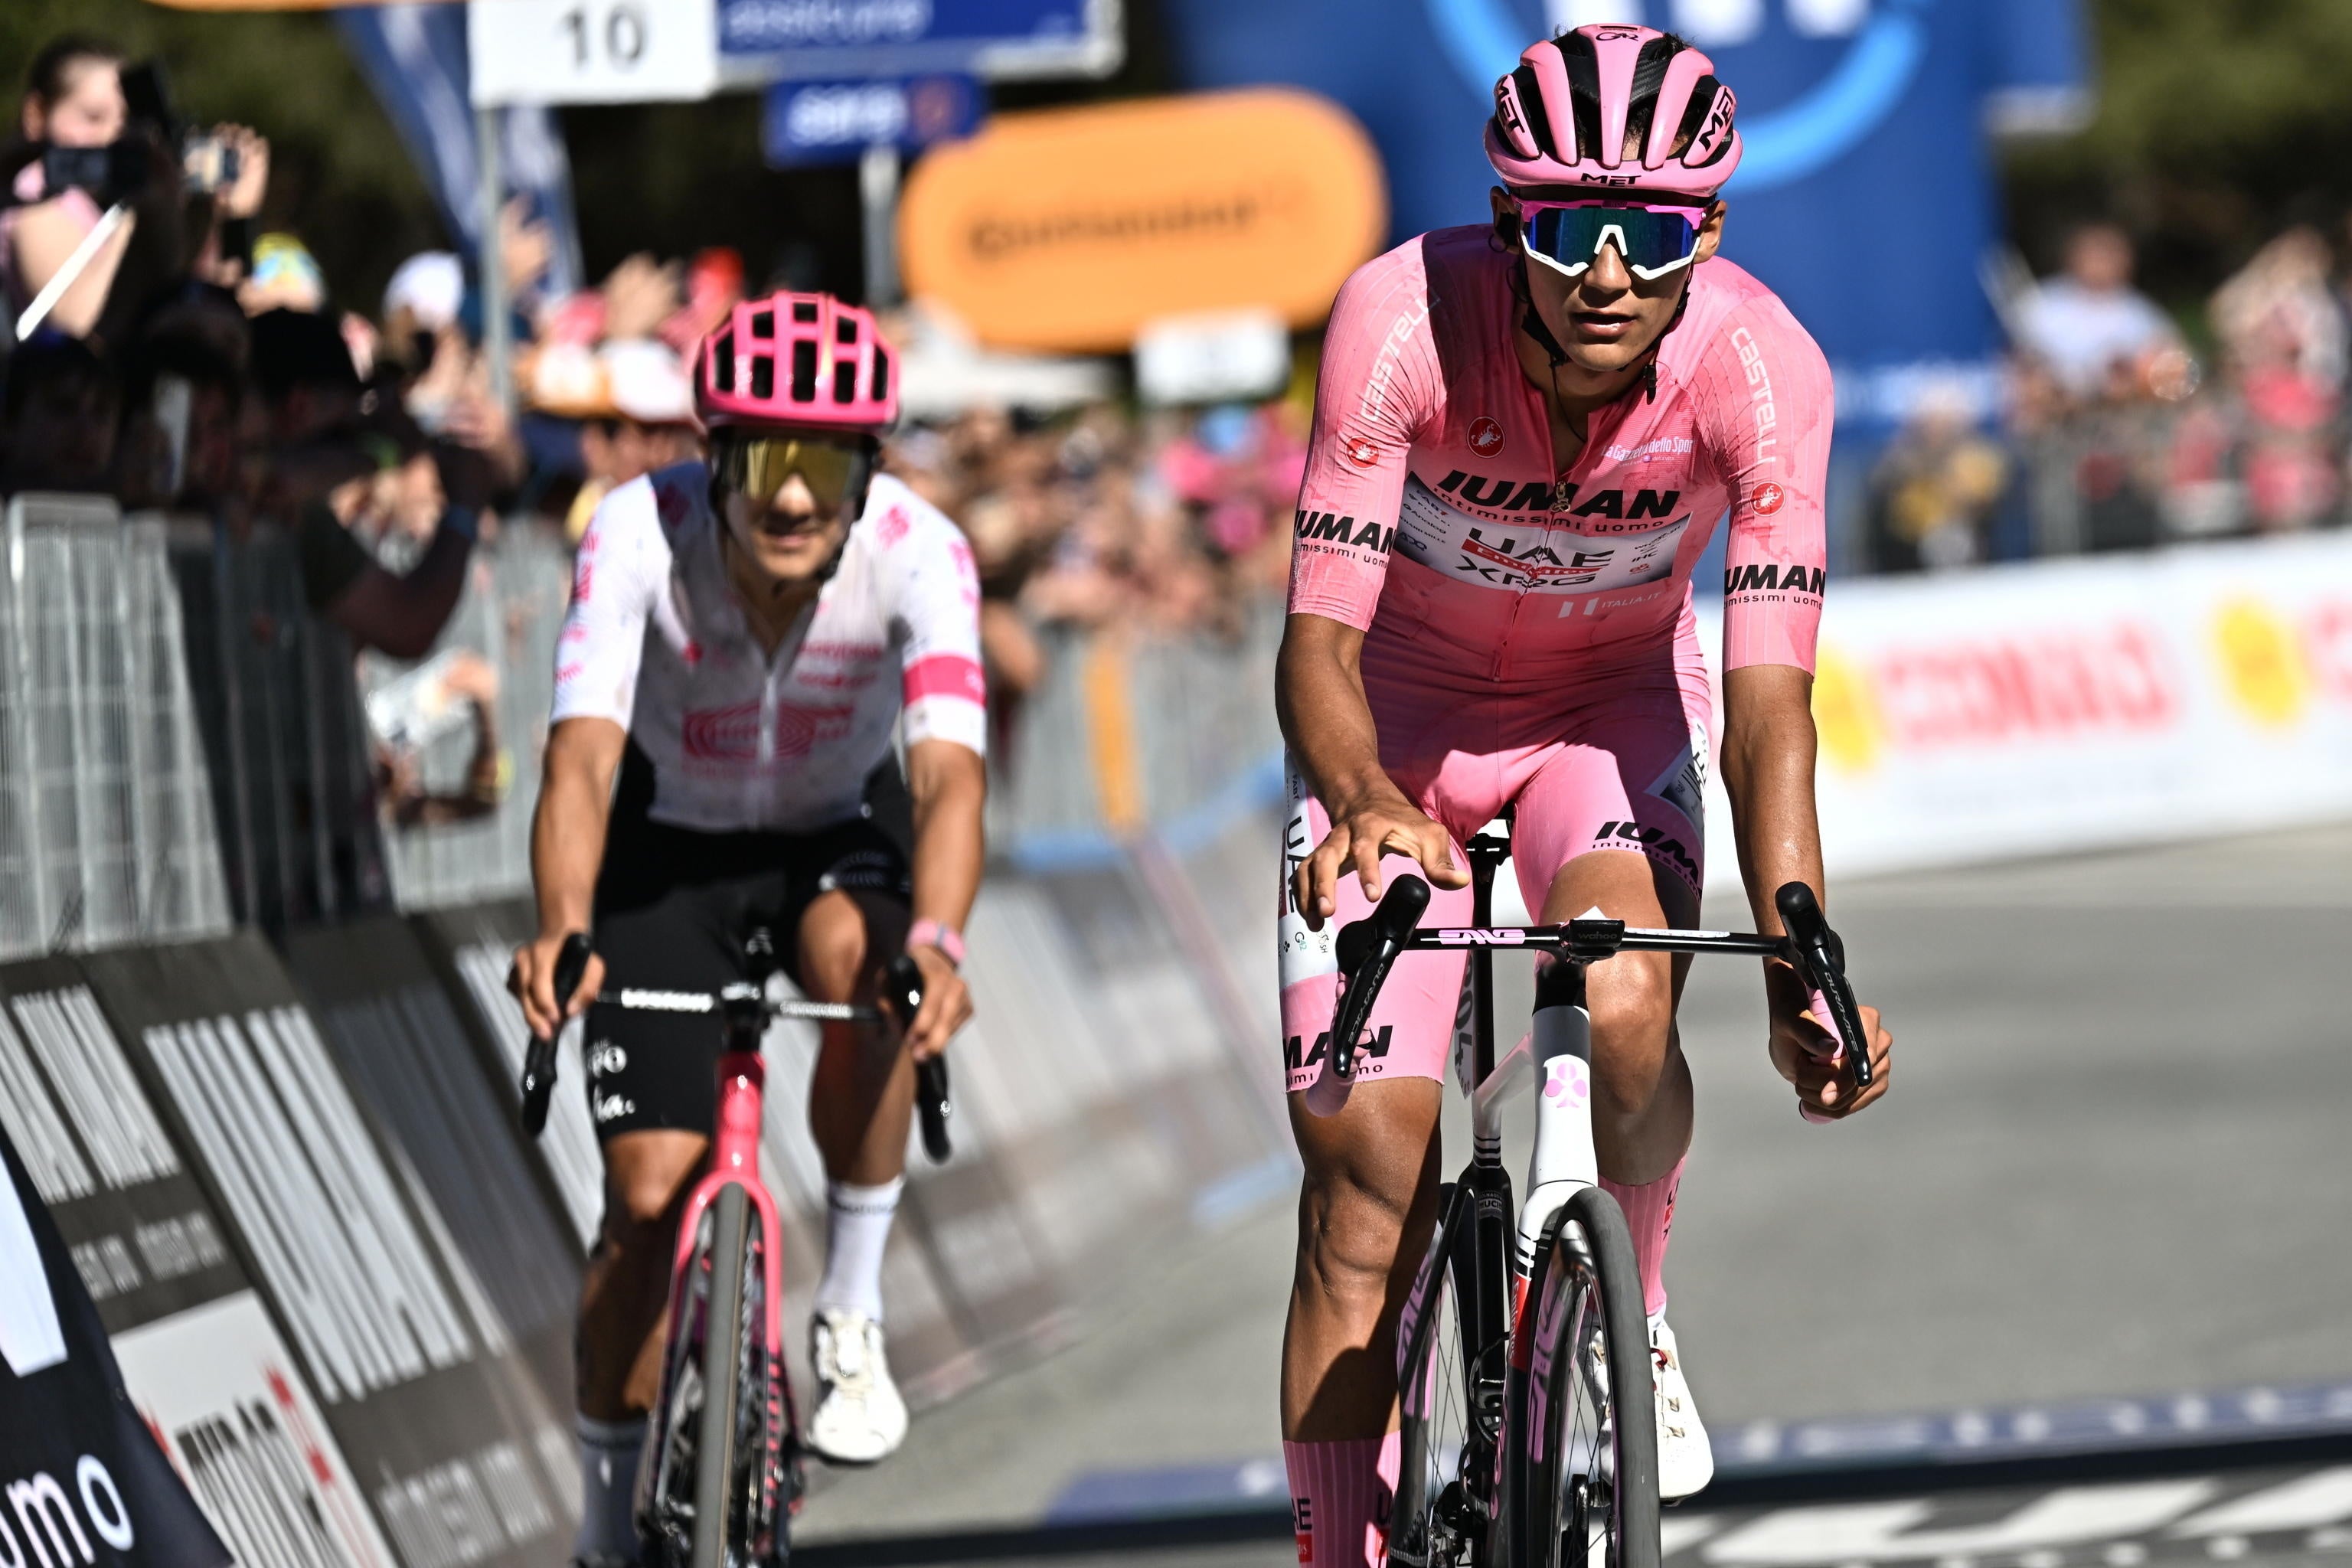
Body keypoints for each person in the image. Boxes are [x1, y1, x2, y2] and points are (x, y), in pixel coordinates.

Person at [1273, 24, 1896, 1560]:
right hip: (1394, 734)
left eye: (1654, 234)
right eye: (1564, 230)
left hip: (1596, 725)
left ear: (1713, 233)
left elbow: (1766, 706)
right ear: (1508, 225)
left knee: (1623, 1013)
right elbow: (1316, 642)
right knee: (1366, 1183)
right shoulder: (1398, 321)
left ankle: (1644, 1316)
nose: (1605, 273)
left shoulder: (1764, 370)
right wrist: (1359, 796)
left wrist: (1801, 939)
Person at [507, 292, 985, 1567]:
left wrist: (937, 939)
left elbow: (947, 779)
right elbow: (581, 761)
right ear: (714, 457)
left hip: (835, 834)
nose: (791, 499)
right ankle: (608, 1530)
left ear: (866, 470)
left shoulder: (921, 549)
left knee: (879, 982)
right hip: (668, 848)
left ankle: (848, 1306)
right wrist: (562, 925)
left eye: (824, 465)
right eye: (766, 462)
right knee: (646, 1196)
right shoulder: (632, 534)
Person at [2014, 224, 2179, 401]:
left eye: (2110, 255)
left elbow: (2170, 364)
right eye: (2096, 254)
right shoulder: (2040, 306)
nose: (2102, 263)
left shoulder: (2141, 314)